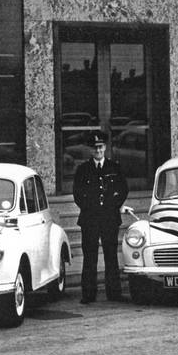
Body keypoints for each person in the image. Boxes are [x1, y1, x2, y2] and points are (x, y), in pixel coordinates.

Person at [72, 130, 129, 303]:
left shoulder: (114, 167)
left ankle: (114, 293)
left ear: (105, 147)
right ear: (90, 150)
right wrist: (91, 208)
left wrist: (113, 206)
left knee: (111, 255)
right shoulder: (83, 170)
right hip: (90, 219)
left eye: (101, 147)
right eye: (95, 148)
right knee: (90, 257)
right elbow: (77, 194)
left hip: (109, 218)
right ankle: (88, 294)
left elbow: (123, 190)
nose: (98, 151)